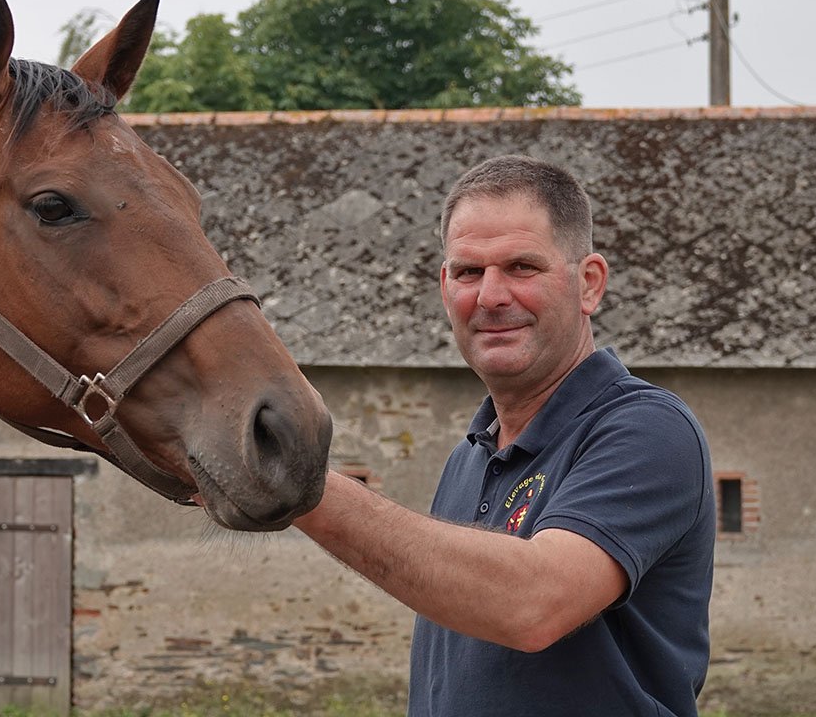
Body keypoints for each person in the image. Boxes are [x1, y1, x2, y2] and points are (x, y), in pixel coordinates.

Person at [293, 155, 715, 716]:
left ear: (588, 284)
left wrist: (298, 484)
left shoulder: (647, 430)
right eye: (468, 272)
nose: (490, 296)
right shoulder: (467, 458)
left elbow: (533, 605)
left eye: (521, 267)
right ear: (445, 287)